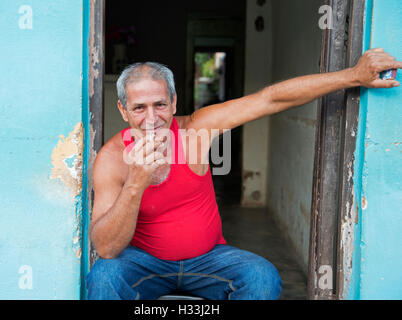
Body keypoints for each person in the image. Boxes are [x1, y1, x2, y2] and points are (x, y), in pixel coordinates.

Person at [86, 48, 401, 300]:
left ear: (174, 103)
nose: (152, 118)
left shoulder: (196, 129)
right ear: (123, 111)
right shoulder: (113, 158)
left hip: (207, 261)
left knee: (261, 278)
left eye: (160, 104)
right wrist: (136, 184)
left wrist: (353, 75)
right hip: (145, 263)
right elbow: (107, 248)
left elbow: (269, 99)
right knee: (104, 277)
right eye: (139, 108)